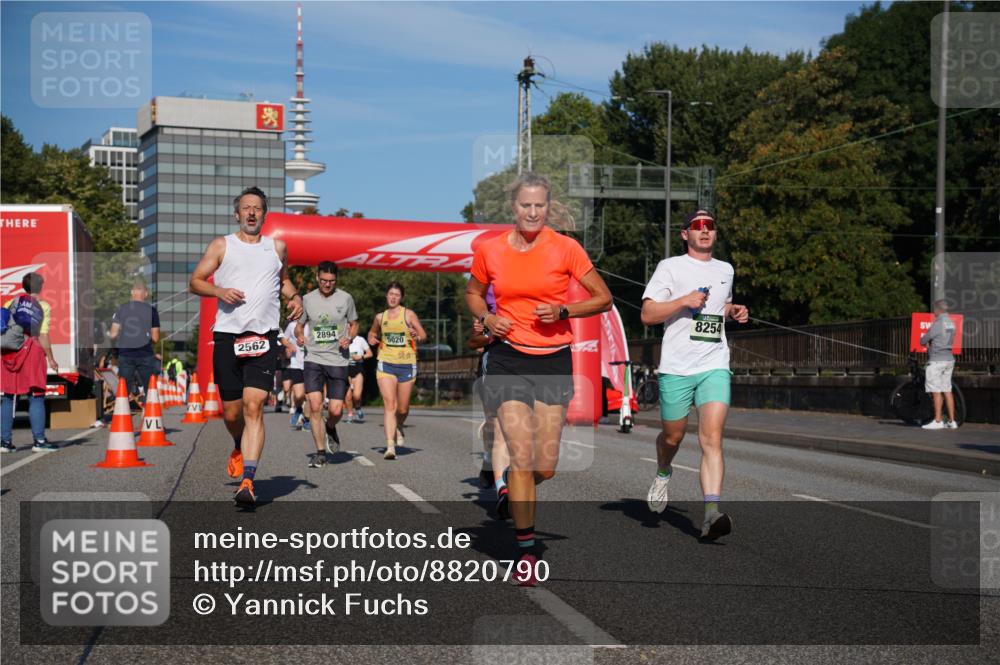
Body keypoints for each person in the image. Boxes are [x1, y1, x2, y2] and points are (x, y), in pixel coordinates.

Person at [466, 172, 612, 584]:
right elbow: (473, 293)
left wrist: (564, 311)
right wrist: (488, 318)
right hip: (508, 358)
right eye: (525, 205)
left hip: (552, 360)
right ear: (513, 208)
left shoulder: (566, 248)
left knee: (544, 466)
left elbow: (603, 298)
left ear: (549, 207)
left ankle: (517, 489)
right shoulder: (491, 250)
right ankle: (526, 551)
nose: (532, 212)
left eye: (539, 206)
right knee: (522, 454)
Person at [189, 186, 303, 506]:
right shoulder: (222, 245)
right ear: (236, 213)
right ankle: (238, 443)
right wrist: (219, 291)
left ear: (264, 215)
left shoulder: (276, 248)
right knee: (232, 413)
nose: (251, 212)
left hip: (263, 337)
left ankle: (248, 481)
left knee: (254, 406)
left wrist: (295, 297)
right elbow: (195, 281)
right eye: (246, 207)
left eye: (257, 208)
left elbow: (283, 281)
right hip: (228, 336)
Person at [640, 209, 749, 541]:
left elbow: (719, 307)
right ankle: (663, 472)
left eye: (710, 226)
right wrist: (682, 301)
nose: (705, 230)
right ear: (685, 234)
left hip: (714, 363)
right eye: (698, 226)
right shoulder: (670, 267)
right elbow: (647, 314)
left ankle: (711, 514)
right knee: (672, 437)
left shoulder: (725, 269)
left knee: (712, 438)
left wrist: (733, 311)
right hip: (677, 367)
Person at [295, 261, 358, 468]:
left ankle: (330, 426)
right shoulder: (307, 299)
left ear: (336, 280)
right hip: (313, 358)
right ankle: (320, 452)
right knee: (314, 406)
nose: (327, 284)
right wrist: (299, 336)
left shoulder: (346, 298)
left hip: (337, 359)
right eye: (323, 280)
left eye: (331, 281)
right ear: (317, 278)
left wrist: (349, 337)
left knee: (336, 410)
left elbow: (354, 324)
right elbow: (299, 326)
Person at [368, 282, 427, 460]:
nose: (393, 297)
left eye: (397, 295)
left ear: (401, 297)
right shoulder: (380, 317)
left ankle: (399, 425)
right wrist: (371, 338)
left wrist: (417, 336)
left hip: (406, 364)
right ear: (386, 295)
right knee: (389, 405)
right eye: (391, 294)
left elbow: (423, 335)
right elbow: (372, 333)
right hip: (386, 363)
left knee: (402, 409)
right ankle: (390, 446)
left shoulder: (408, 314)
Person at [1, 272, 59, 453]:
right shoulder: (42, 306)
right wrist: (51, 357)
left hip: (9, 352)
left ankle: (4, 442)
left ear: (24, 286)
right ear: (40, 287)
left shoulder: (10, 303)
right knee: (36, 395)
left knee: (8, 396)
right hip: (31, 351)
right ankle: (39, 441)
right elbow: (42, 334)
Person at [468, 291, 511, 519]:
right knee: (494, 423)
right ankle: (489, 460)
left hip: (526, 363)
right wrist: (492, 333)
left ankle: (508, 481)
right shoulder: (486, 306)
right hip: (493, 362)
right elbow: (473, 342)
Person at [109, 279, 161, 402]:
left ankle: (122, 411)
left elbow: (113, 334)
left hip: (126, 354)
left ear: (132, 292)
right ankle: (151, 412)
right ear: (146, 294)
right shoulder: (152, 311)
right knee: (150, 388)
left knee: (123, 389)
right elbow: (155, 338)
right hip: (145, 354)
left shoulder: (121, 309)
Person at [920, 299, 959, 429]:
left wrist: (927, 343)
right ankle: (952, 421)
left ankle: (937, 421)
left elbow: (923, 340)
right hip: (949, 359)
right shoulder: (951, 323)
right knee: (947, 390)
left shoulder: (938, 323)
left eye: (934, 309)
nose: (933, 312)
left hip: (937, 360)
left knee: (936, 390)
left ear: (938, 309)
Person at [281, 320, 309, 431]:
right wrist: (289, 346)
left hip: (311, 364)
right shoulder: (292, 325)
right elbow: (283, 339)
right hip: (296, 364)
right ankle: (298, 409)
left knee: (310, 395)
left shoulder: (313, 323)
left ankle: (307, 420)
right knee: (298, 395)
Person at [345, 333, 372, 423]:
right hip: (346, 371)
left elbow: (370, 354)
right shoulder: (342, 338)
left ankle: (358, 407)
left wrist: (360, 357)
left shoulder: (360, 339)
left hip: (358, 370)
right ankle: (350, 415)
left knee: (356, 396)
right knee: (348, 396)